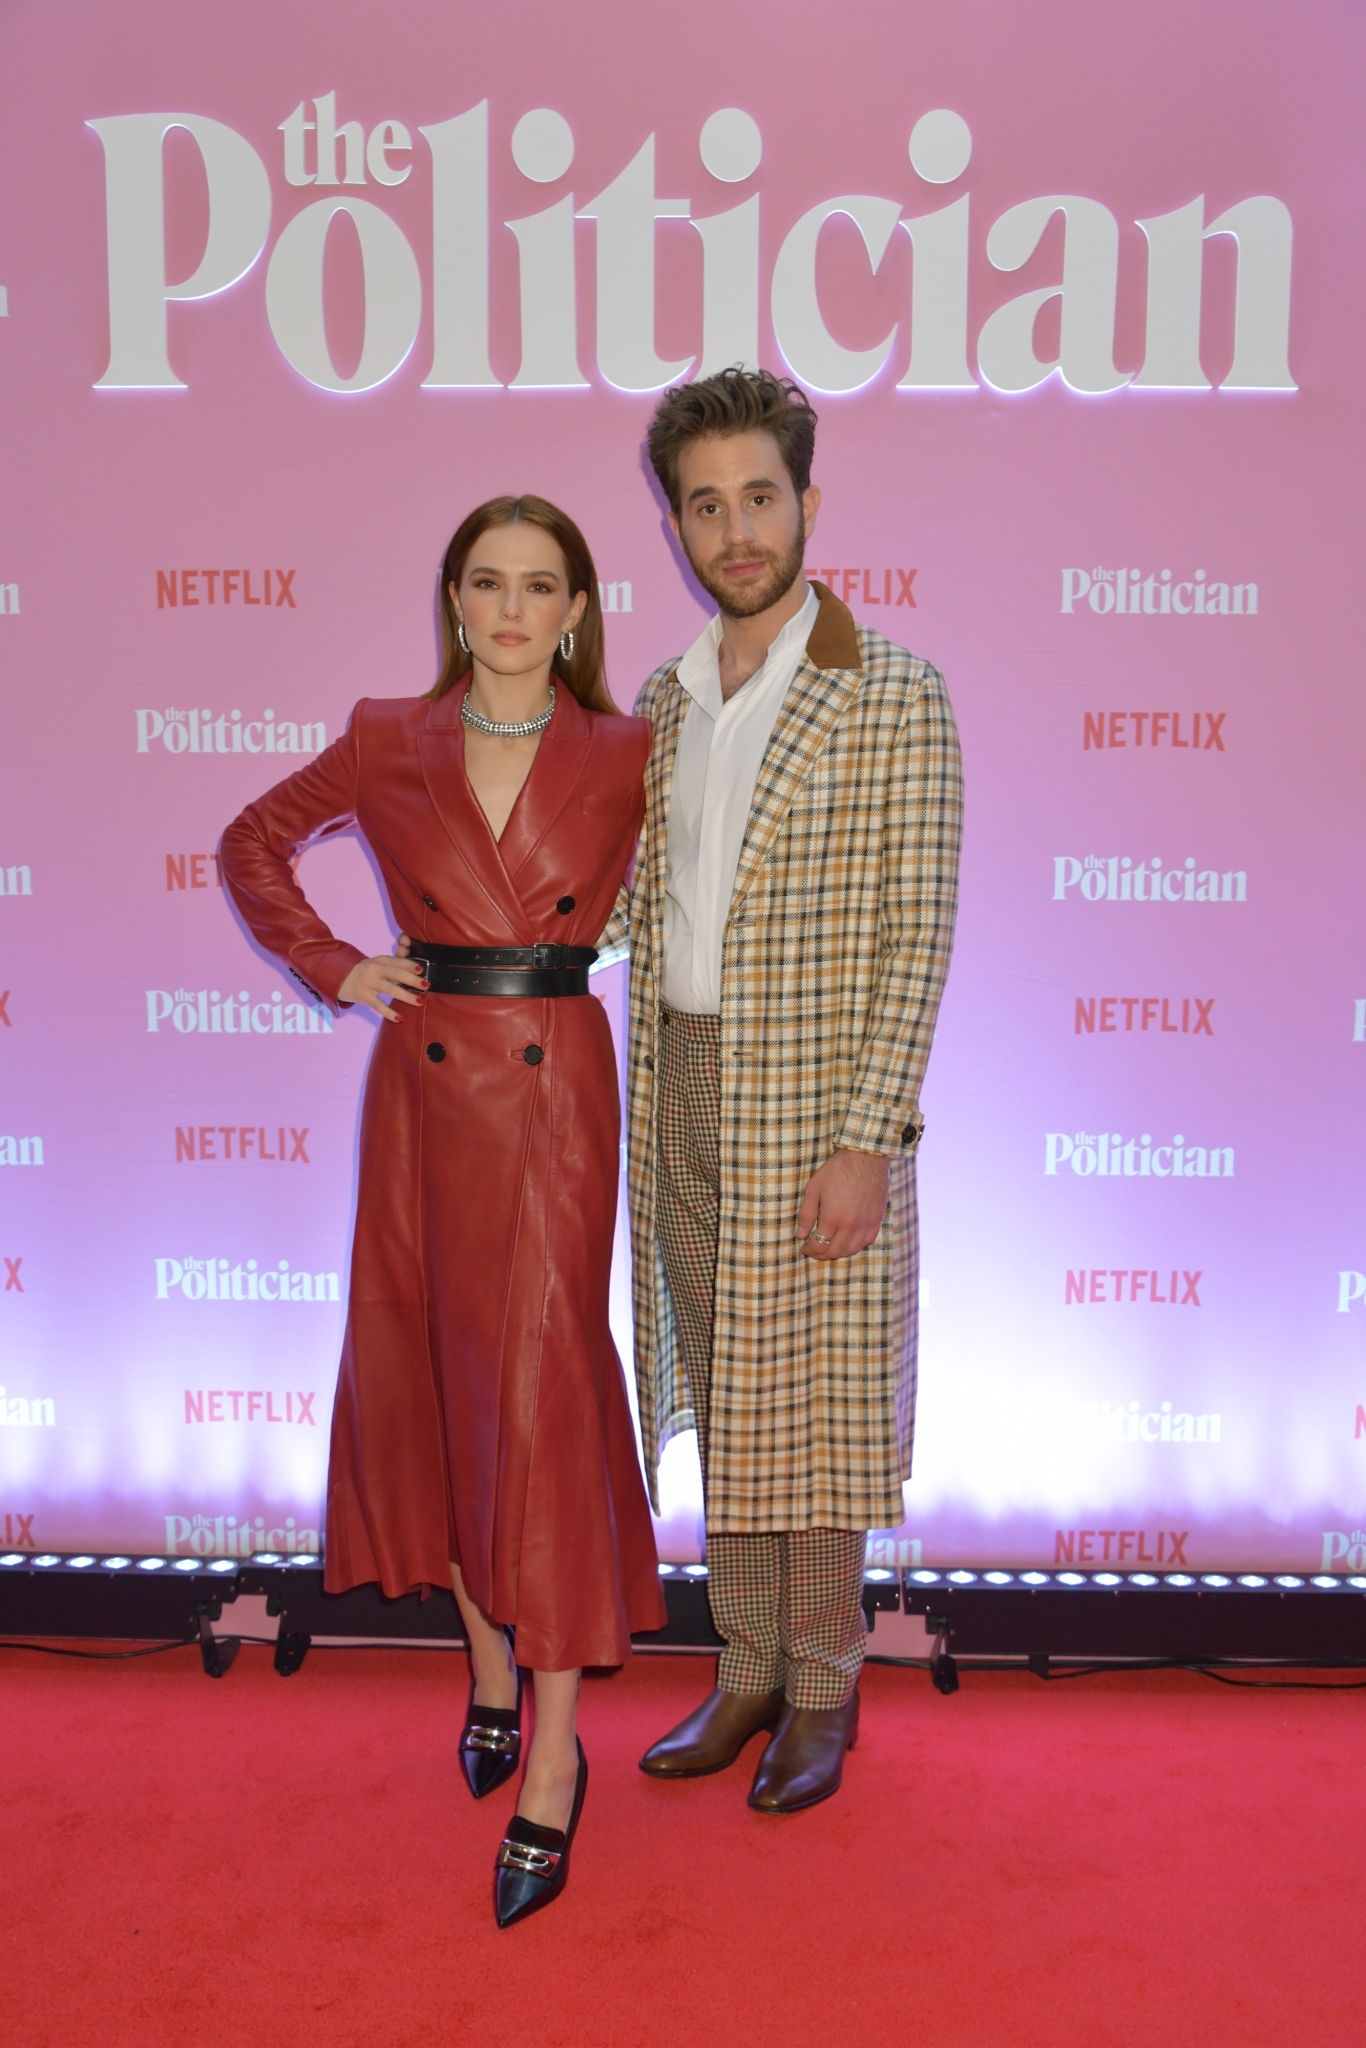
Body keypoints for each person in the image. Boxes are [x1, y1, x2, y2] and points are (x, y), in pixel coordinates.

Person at [219, 495, 666, 1925]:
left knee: (534, 1393)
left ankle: (550, 1752)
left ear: (581, 610)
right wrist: (332, 962)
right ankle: (481, 1669)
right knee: (440, 1374)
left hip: (554, 1090)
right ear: (454, 602)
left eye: (543, 587)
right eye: (489, 584)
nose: (516, 611)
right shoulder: (385, 737)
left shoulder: (627, 751)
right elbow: (251, 840)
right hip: (421, 1088)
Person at [627, 369, 963, 1814]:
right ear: (678, 526)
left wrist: (866, 1138)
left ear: (806, 504)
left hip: (820, 1107)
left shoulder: (892, 691)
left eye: (758, 497)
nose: (734, 529)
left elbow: (917, 934)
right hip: (683, 1084)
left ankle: (822, 1693)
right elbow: (636, 903)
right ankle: (746, 1665)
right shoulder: (661, 697)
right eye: (704, 505)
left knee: (814, 1412)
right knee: (725, 1391)